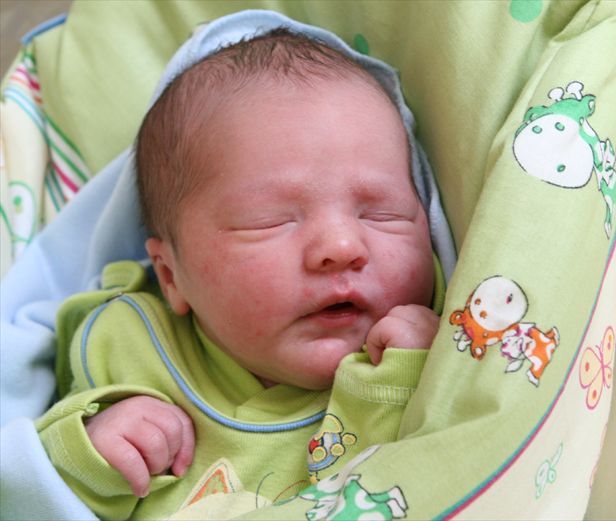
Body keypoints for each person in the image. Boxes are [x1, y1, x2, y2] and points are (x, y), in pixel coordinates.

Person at [35, 28, 446, 520]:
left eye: (382, 214)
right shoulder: (132, 348)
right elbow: (28, 486)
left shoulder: (442, 350)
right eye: (270, 220)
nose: (341, 247)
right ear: (171, 276)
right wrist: (91, 451)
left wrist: (410, 380)